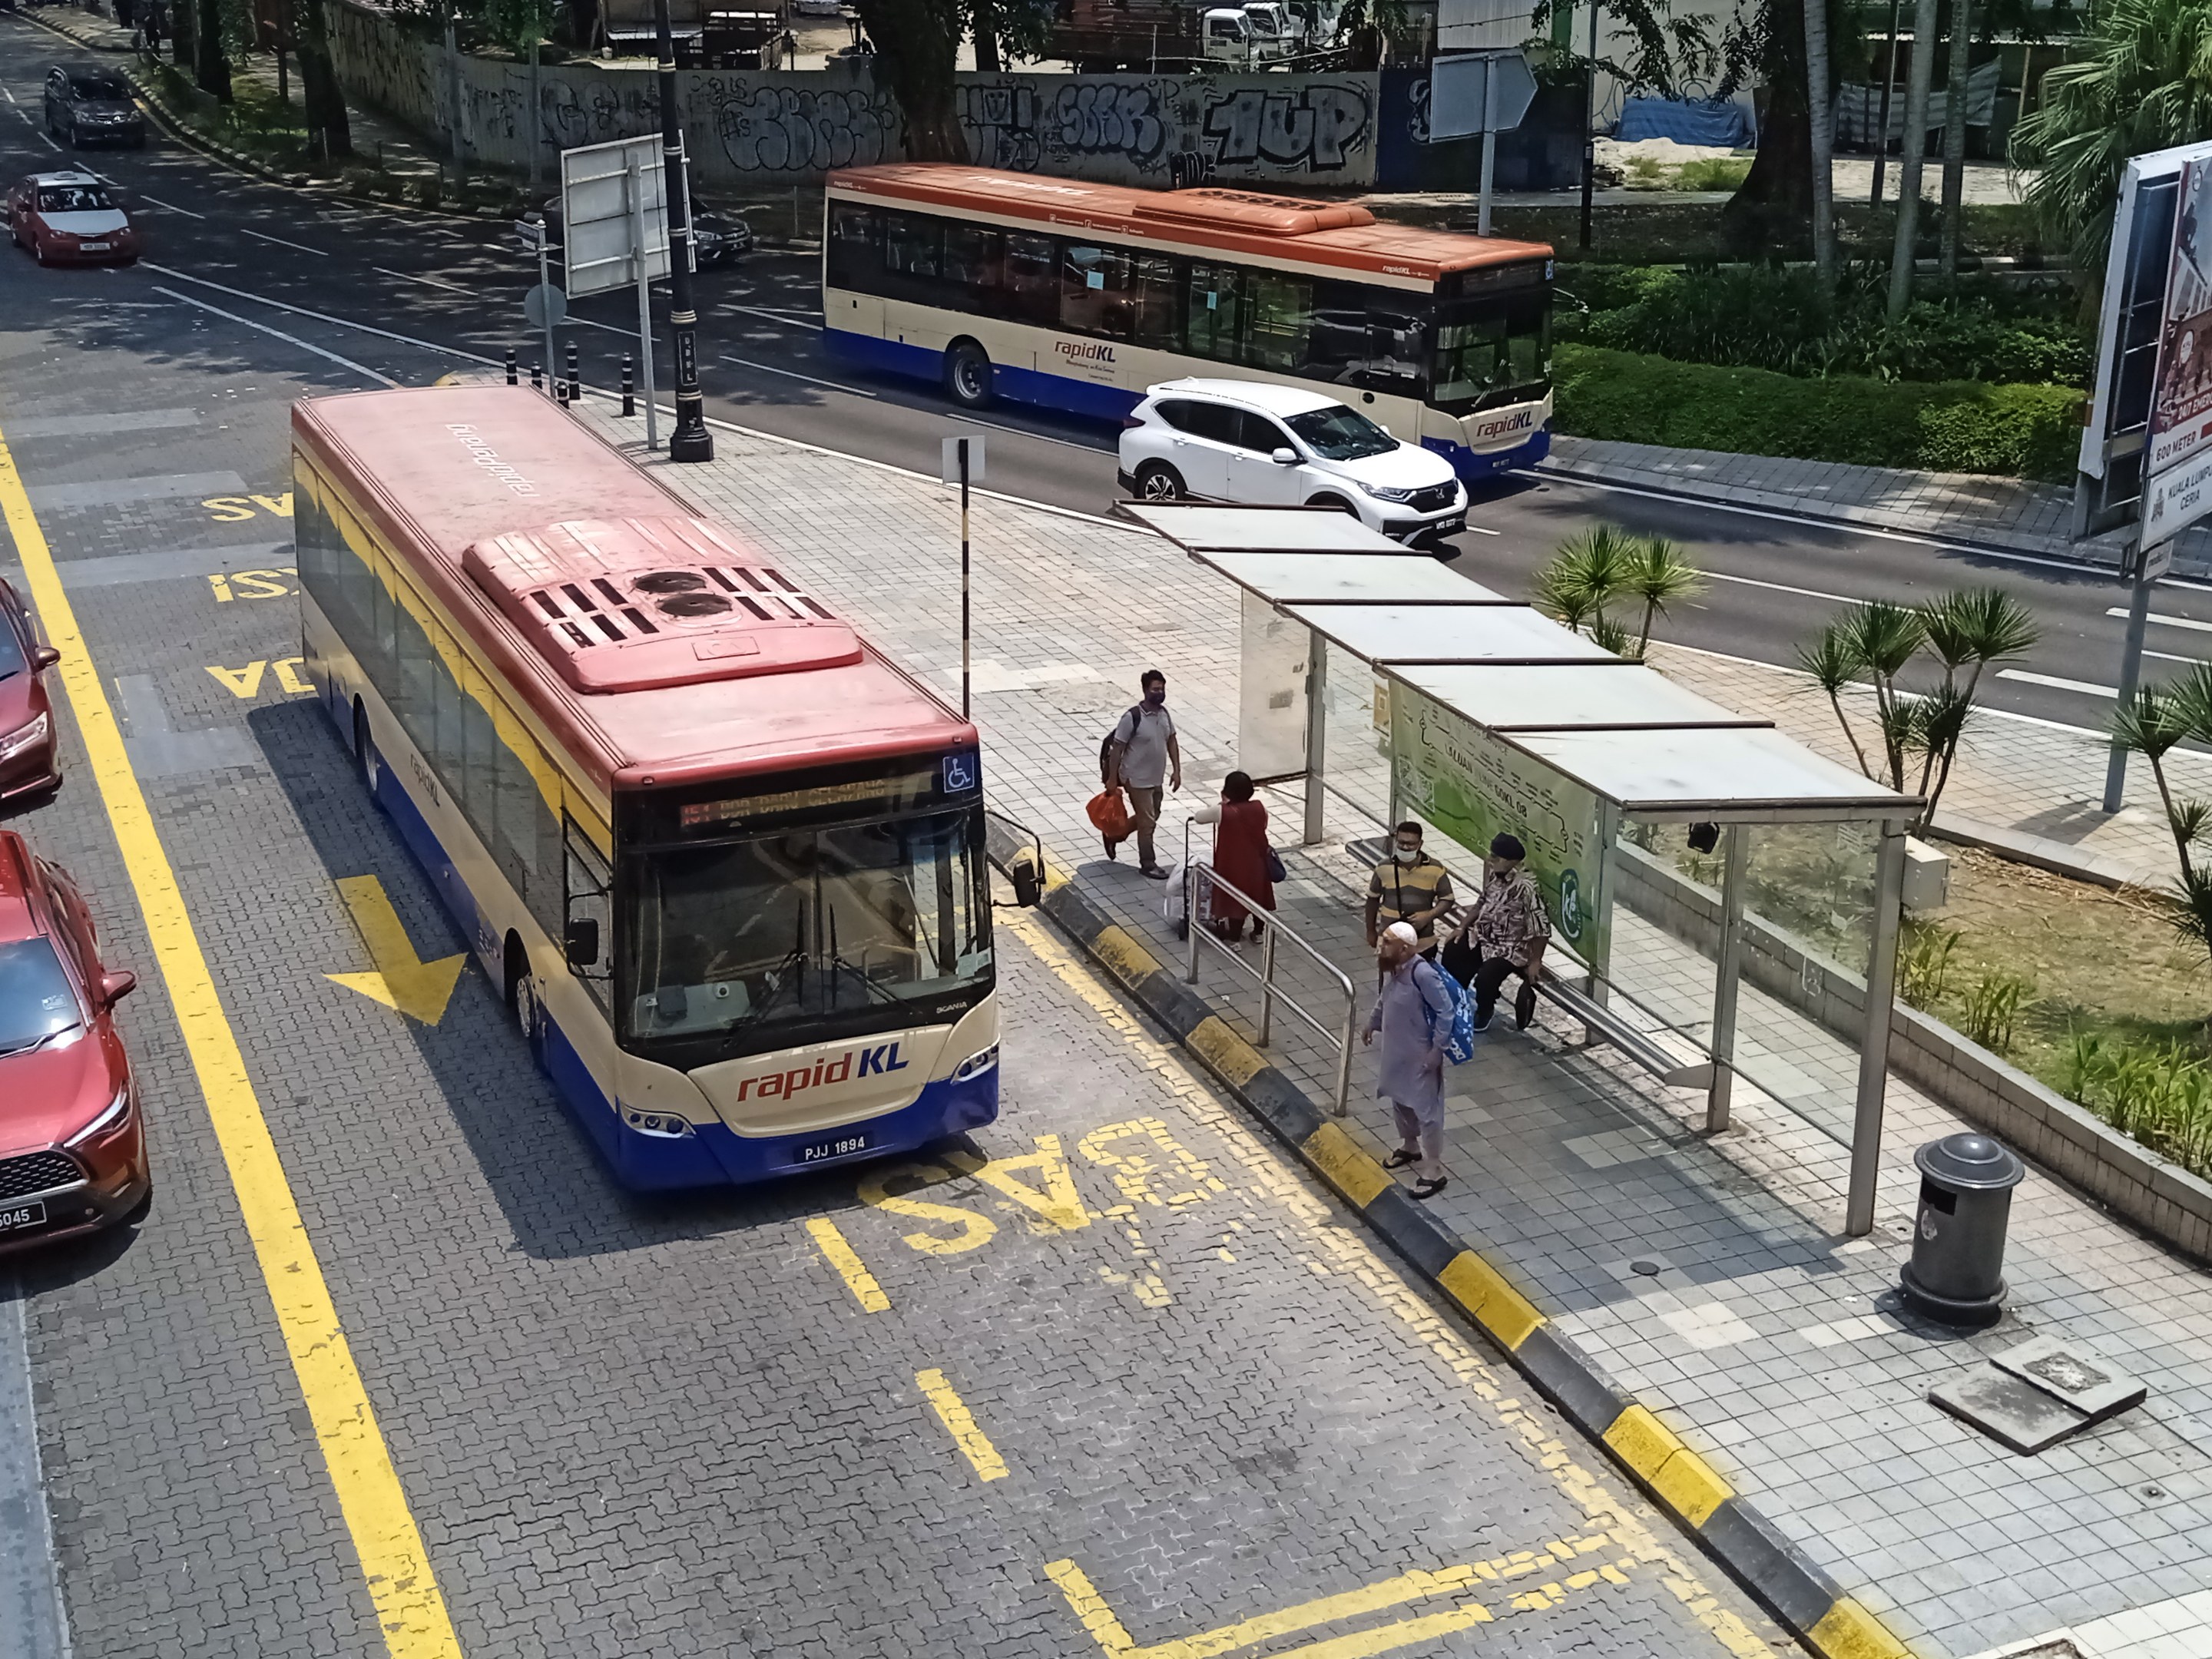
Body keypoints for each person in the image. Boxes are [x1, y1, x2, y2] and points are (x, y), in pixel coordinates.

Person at [1362, 922, 1454, 1200]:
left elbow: (1445, 1012)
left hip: (1420, 1055)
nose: (1382, 946)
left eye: (1387, 942)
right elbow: (1386, 998)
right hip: (1397, 1052)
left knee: (1427, 1112)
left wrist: (1437, 1050)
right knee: (1400, 1100)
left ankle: (1434, 1168)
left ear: (1404, 949)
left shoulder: (1422, 973)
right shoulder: (1395, 970)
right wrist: (1372, 1023)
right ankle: (1410, 1146)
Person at [1446, 833, 1552, 1032]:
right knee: (1454, 949)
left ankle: (1485, 1010)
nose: (1490, 860)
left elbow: (1541, 928)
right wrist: (1461, 927)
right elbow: (1481, 903)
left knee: (1486, 977)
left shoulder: (1526, 888)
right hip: (1484, 939)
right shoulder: (1496, 879)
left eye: (1495, 858)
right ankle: (1455, 998)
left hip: (1510, 949)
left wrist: (1536, 961)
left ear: (1509, 861)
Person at [1102, 669, 1181, 879]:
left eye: (1162, 688)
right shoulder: (1132, 717)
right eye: (1155, 689)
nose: (1160, 692)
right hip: (1136, 779)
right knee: (1148, 822)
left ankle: (1114, 835)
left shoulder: (1164, 714)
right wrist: (1112, 779)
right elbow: (1118, 748)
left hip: (1156, 778)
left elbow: (1172, 740)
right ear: (1145, 690)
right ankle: (1148, 863)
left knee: (1152, 816)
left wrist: (1177, 770)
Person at [1363, 821, 1454, 957]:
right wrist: (1371, 931)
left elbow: (1447, 899)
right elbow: (1372, 900)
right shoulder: (1383, 867)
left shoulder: (1435, 869)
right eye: (1401, 843)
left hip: (1423, 942)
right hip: (1389, 942)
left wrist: (1428, 916)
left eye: (1410, 844)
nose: (1405, 847)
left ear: (1420, 844)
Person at [1205, 770, 1275, 942]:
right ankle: (1258, 934)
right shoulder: (1260, 807)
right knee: (1259, 898)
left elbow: (1200, 817)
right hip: (1257, 863)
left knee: (1235, 900)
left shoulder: (1222, 812)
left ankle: (1235, 940)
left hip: (1233, 866)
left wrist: (1223, 803)